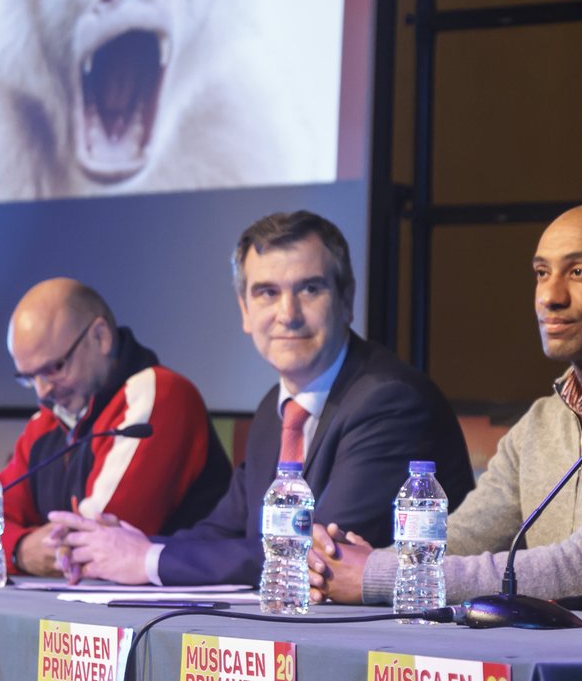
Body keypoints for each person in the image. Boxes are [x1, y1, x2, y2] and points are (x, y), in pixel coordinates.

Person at [309, 201, 582, 608]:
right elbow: (464, 536)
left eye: (578, 272)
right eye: (541, 273)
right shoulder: (541, 419)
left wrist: (381, 575)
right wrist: (350, 563)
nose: (549, 296)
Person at [46, 210, 475, 585]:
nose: (287, 314)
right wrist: (121, 543)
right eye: (267, 292)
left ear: (346, 301)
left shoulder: (390, 401)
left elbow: (312, 552)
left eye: (309, 289)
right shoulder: (278, 407)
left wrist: (146, 560)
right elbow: (224, 530)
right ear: (245, 311)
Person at [2, 278, 231, 576]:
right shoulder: (45, 424)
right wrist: (19, 549)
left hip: (176, 616)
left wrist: (14, 549)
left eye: (54, 368)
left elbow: (94, 546)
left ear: (101, 337)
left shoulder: (160, 393)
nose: (41, 392)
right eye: (29, 378)